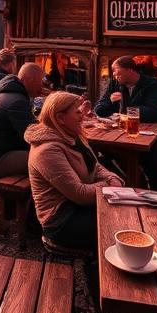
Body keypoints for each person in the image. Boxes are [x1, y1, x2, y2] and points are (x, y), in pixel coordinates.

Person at [26, 91, 124, 250]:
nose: (83, 116)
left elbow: (95, 166)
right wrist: (109, 185)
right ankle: (99, 271)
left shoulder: (72, 135)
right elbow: (80, 194)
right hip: (61, 219)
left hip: (79, 206)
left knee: (127, 214)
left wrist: (113, 179)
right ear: (60, 118)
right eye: (77, 112)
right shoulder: (47, 150)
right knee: (120, 227)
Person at [94, 56, 157, 190]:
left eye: (116, 71)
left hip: (145, 135)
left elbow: (154, 113)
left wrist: (126, 110)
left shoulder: (151, 85)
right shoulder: (115, 83)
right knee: (99, 152)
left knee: (154, 167)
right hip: (118, 135)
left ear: (130, 70)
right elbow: (99, 110)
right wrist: (111, 101)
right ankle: (130, 184)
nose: (114, 75)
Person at [0, 62, 44, 179]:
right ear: (30, 80)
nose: (42, 87)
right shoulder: (17, 101)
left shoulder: (11, 95)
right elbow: (34, 136)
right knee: (46, 158)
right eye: (40, 82)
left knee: (46, 154)